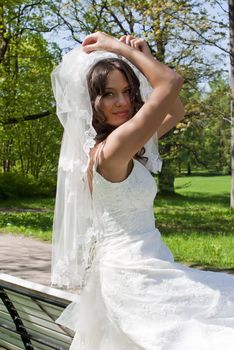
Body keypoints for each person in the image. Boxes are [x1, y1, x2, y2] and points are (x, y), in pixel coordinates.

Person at [51, 32, 234, 350]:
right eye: (108, 94)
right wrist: (116, 47)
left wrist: (145, 54)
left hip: (146, 266)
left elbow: (174, 110)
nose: (121, 102)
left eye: (126, 91)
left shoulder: (125, 142)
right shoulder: (114, 148)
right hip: (134, 276)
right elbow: (171, 83)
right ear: (92, 102)